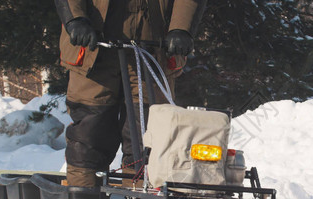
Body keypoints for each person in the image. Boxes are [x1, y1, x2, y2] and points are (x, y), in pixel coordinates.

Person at [53, 0, 206, 187]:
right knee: (88, 136)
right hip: (94, 47)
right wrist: (75, 19)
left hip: (153, 48)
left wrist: (181, 28)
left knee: (147, 140)